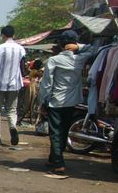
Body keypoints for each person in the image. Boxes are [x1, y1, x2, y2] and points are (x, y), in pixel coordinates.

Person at [38, 30, 95, 175]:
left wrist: (42, 102)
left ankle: (58, 163)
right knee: (63, 131)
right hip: (71, 102)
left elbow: (46, 85)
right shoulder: (80, 59)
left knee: (56, 133)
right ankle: (53, 158)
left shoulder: (54, 60)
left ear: (60, 45)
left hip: (55, 102)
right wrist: (79, 47)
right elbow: (94, 49)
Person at [0, 25, 26, 146]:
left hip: (0, 83)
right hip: (15, 83)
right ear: (13, 35)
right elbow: (22, 65)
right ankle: (13, 127)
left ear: (2, 35)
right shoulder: (21, 49)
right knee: (12, 110)